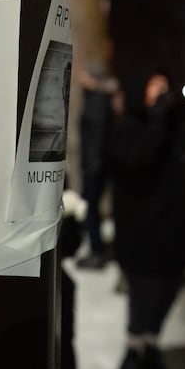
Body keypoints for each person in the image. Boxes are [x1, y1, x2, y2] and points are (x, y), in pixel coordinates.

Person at [107, 68, 185, 369]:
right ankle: (134, 352)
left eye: (164, 88)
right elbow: (140, 161)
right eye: (154, 89)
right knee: (145, 300)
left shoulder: (171, 127)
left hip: (175, 234)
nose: (161, 96)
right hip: (143, 238)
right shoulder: (127, 129)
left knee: (168, 294)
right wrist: (157, 118)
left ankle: (150, 347)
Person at [76, 61, 118, 269]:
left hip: (95, 167)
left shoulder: (98, 102)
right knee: (90, 207)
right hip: (95, 164)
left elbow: (97, 137)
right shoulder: (97, 99)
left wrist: (93, 165)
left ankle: (97, 250)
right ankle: (96, 247)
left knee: (90, 207)